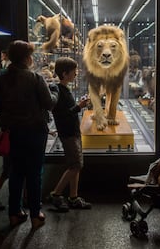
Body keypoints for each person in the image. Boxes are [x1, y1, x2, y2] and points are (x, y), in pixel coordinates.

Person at [0, 40, 58, 229]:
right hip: (35, 132)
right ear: (27, 58)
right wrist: (55, 90)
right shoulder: (35, 78)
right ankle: (35, 214)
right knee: (35, 173)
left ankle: (14, 213)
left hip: (13, 132)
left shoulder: (2, 78)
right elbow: (49, 103)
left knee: (16, 172)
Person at [49, 57, 92, 212]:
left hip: (73, 131)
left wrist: (78, 105)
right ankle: (56, 193)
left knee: (76, 166)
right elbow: (61, 114)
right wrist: (78, 107)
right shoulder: (57, 90)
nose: (76, 73)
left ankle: (73, 197)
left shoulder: (64, 89)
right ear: (65, 73)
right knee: (76, 165)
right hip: (68, 133)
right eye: (74, 71)